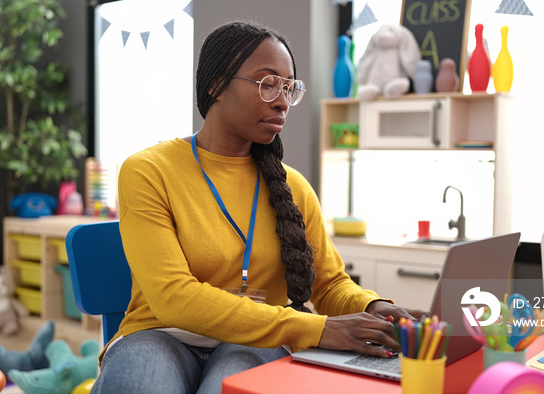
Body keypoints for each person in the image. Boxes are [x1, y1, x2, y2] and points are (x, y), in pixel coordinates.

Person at [91, 21, 424, 393]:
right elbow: (172, 296)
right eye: (268, 84)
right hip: (160, 334)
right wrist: (318, 328)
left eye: (289, 87)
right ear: (216, 85)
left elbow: (329, 284)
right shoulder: (150, 171)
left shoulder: (293, 187)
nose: (282, 100)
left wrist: (374, 307)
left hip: (256, 340)